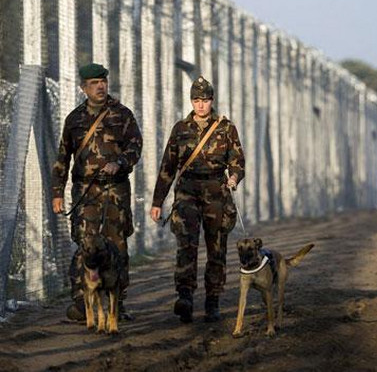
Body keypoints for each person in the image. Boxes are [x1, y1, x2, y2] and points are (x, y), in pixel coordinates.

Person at [149, 76, 245, 323]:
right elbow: (167, 167)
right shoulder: (181, 129)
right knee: (186, 244)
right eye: (196, 100)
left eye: (205, 100)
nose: (200, 105)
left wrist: (233, 178)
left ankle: (212, 300)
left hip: (216, 190)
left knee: (216, 248)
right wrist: (157, 201)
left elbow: (237, 161)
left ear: (211, 100)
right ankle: (185, 296)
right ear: (191, 101)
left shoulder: (225, 127)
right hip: (188, 190)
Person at [51, 63, 142, 321]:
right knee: (86, 246)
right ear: (84, 88)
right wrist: (57, 192)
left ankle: (117, 303)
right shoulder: (74, 120)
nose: (100, 86)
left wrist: (121, 163)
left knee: (117, 245)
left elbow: (135, 146)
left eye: (102, 81)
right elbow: (62, 157)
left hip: (115, 190)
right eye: (93, 83)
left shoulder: (122, 115)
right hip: (85, 191)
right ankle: (84, 302)